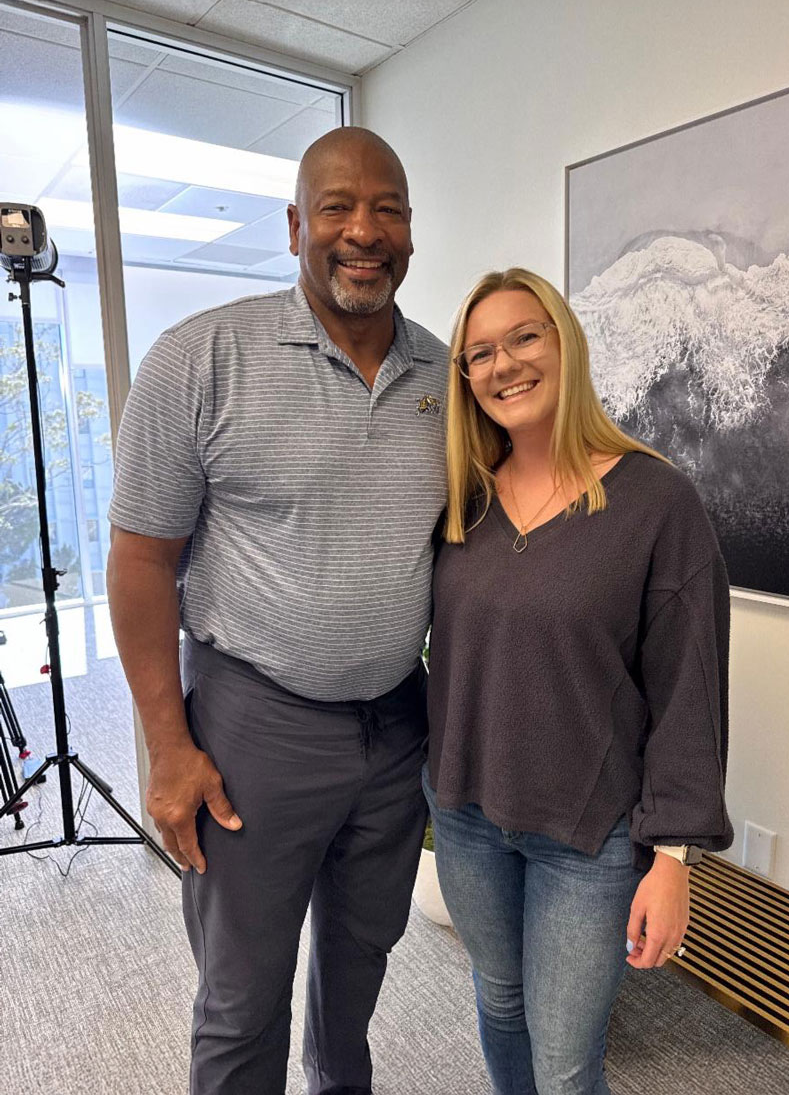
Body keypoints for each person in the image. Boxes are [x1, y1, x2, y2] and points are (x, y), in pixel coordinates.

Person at [106, 127, 449, 1095]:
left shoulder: (445, 377)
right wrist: (167, 748)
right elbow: (140, 562)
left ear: (410, 231)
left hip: (396, 727)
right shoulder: (201, 358)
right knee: (242, 998)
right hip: (256, 728)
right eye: (336, 207)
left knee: (359, 967)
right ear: (296, 226)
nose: (362, 231)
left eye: (386, 209)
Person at [424, 267, 733, 1095]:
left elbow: (690, 692)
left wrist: (673, 858)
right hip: (467, 818)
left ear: (566, 343)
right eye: (479, 353)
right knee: (500, 1003)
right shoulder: (460, 500)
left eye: (524, 337)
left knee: (564, 1063)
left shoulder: (657, 501)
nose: (503, 364)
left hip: (588, 834)